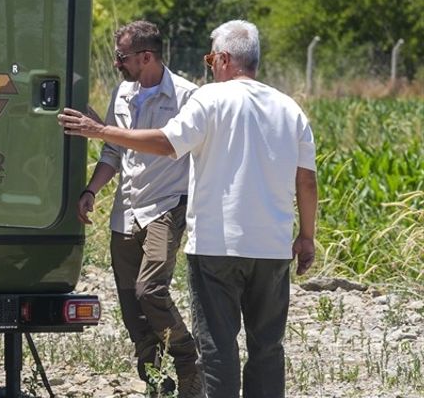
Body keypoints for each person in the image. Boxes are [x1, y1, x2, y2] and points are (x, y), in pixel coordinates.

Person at [60, 20, 318, 398]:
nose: (209, 65)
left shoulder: (208, 98)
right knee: (267, 347)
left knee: (217, 345)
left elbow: (168, 143)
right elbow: (307, 181)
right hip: (272, 249)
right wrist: (306, 237)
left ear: (226, 59)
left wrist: (99, 131)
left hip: (215, 247)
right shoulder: (290, 108)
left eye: (212, 57)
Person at [79, 21, 201, 397]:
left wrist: (100, 131)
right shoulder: (122, 93)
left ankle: (189, 362)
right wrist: (92, 190)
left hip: (166, 205)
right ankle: (154, 381)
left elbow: (171, 145)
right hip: (126, 210)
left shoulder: (186, 96)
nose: (117, 64)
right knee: (132, 304)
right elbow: (114, 151)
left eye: (122, 57)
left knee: (151, 289)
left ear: (146, 56)